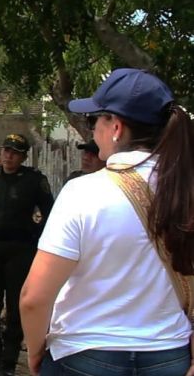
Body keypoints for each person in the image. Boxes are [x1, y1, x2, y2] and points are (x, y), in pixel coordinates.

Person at [21, 68, 194, 376]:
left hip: (84, 355)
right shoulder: (186, 192)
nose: (91, 130)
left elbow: (34, 297)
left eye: (93, 120)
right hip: (169, 356)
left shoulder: (83, 192)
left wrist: (36, 351)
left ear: (115, 126)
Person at [0, 134, 53, 376]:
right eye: (6, 150)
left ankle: (8, 362)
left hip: (21, 250)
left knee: (16, 306)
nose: (9, 156)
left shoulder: (34, 181)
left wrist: (36, 235)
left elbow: (50, 212)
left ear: (24, 156)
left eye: (15, 152)